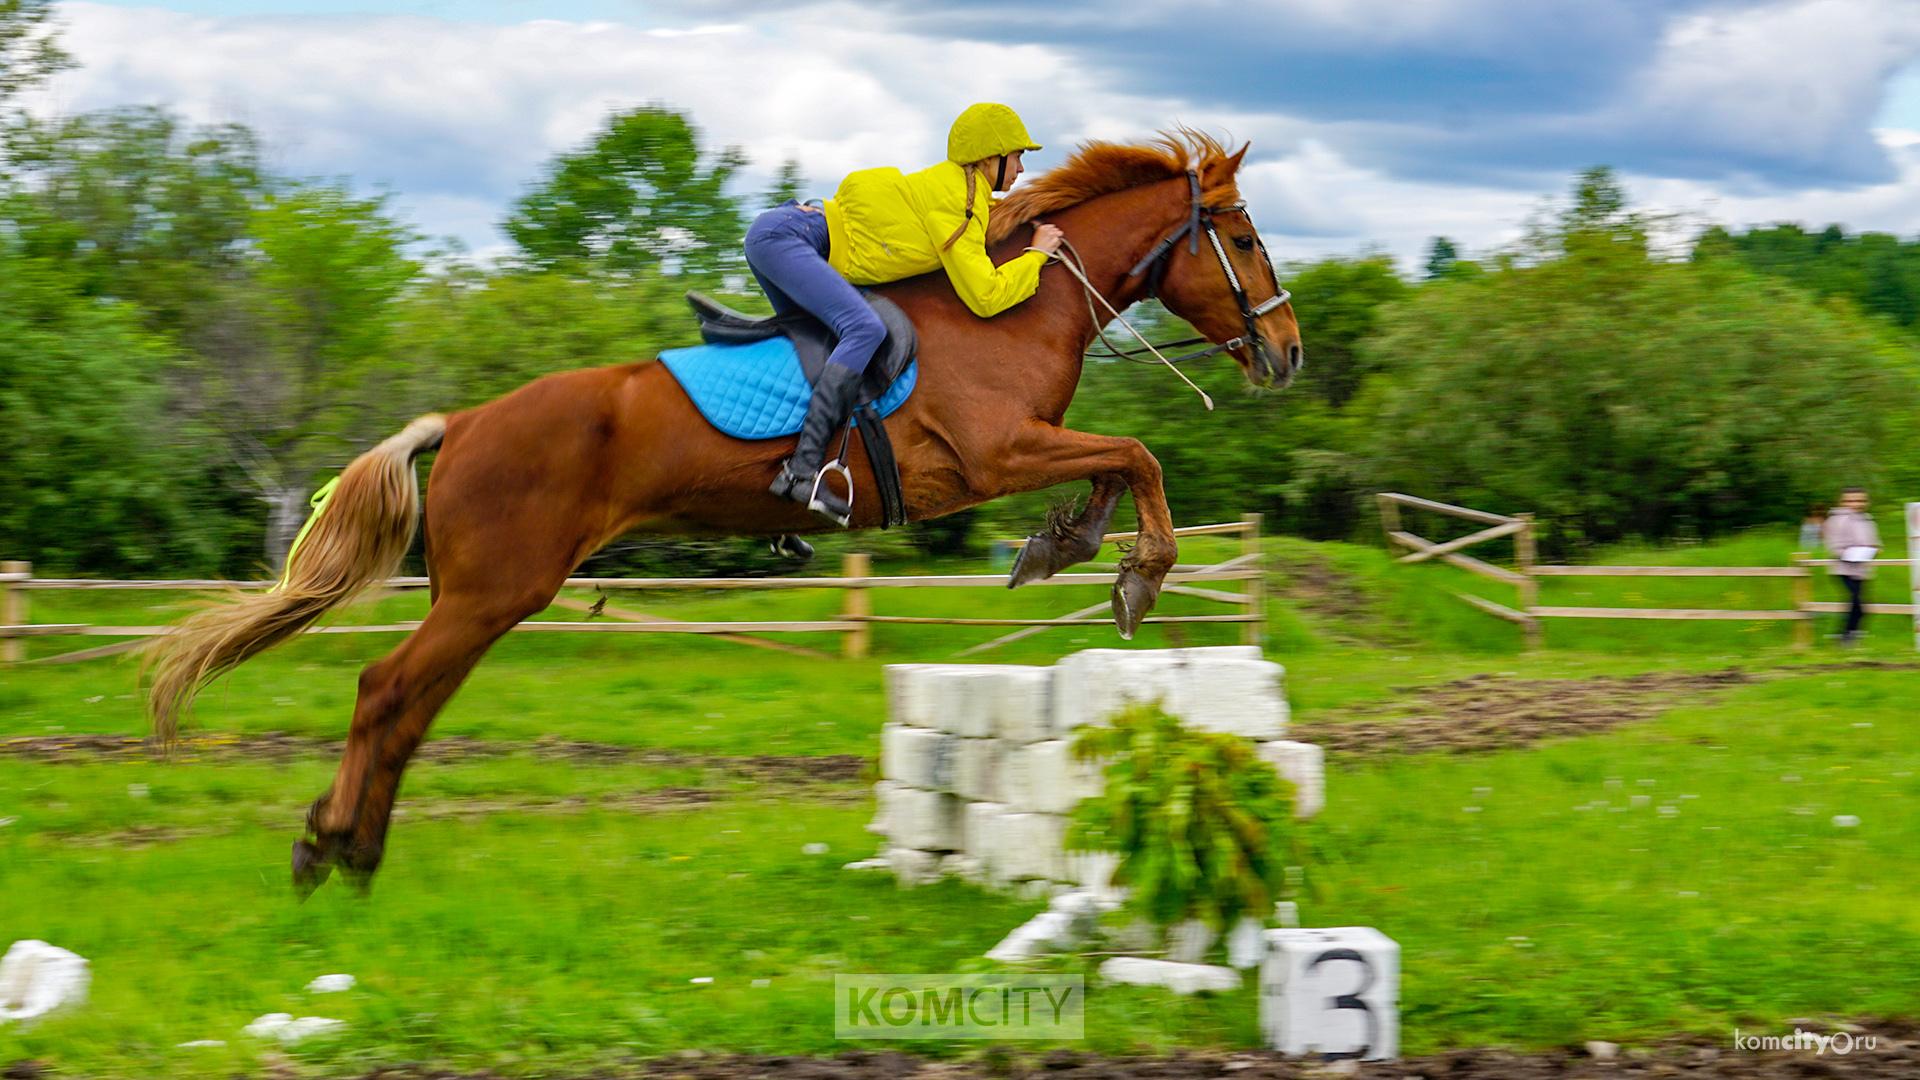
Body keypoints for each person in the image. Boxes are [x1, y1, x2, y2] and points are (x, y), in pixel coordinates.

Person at [742, 103, 1065, 524]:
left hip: (786, 233)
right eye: (1018, 156)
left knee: (816, 354)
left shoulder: (953, 190)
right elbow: (986, 295)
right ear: (989, 158)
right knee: (863, 329)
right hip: (789, 237)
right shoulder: (959, 205)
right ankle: (801, 471)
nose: (1022, 168)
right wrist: (1035, 256)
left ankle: (778, 503)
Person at [1820, 487, 1880, 645]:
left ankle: (1849, 636)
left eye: (1860, 500)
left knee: (1860, 605)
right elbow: (1834, 546)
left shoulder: (1867, 520)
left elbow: (1874, 543)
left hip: (1862, 570)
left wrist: (1873, 550)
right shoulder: (1836, 520)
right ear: (1843, 502)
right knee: (1856, 603)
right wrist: (1851, 553)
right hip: (1843, 569)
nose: (1856, 503)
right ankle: (1846, 637)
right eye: (1851, 500)